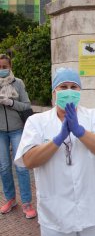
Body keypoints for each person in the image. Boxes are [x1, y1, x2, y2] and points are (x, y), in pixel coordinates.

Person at [14, 67, 95, 236]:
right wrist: (58, 139)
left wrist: (80, 132)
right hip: (55, 214)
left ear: (80, 91)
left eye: (74, 87)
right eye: (63, 87)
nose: (69, 91)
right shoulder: (36, 121)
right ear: (54, 92)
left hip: (91, 208)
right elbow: (29, 160)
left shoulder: (94, 116)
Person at [0, 54, 36, 218]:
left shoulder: (18, 83)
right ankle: (10, 199)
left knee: (21, 166)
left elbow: (27, 106)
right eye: (0, 67)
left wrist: (11, 102)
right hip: (0, 132)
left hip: (17, 130)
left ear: (10, 67)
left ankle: (27, 203)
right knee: (4, 167)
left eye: (5, 67)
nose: (2, 70)